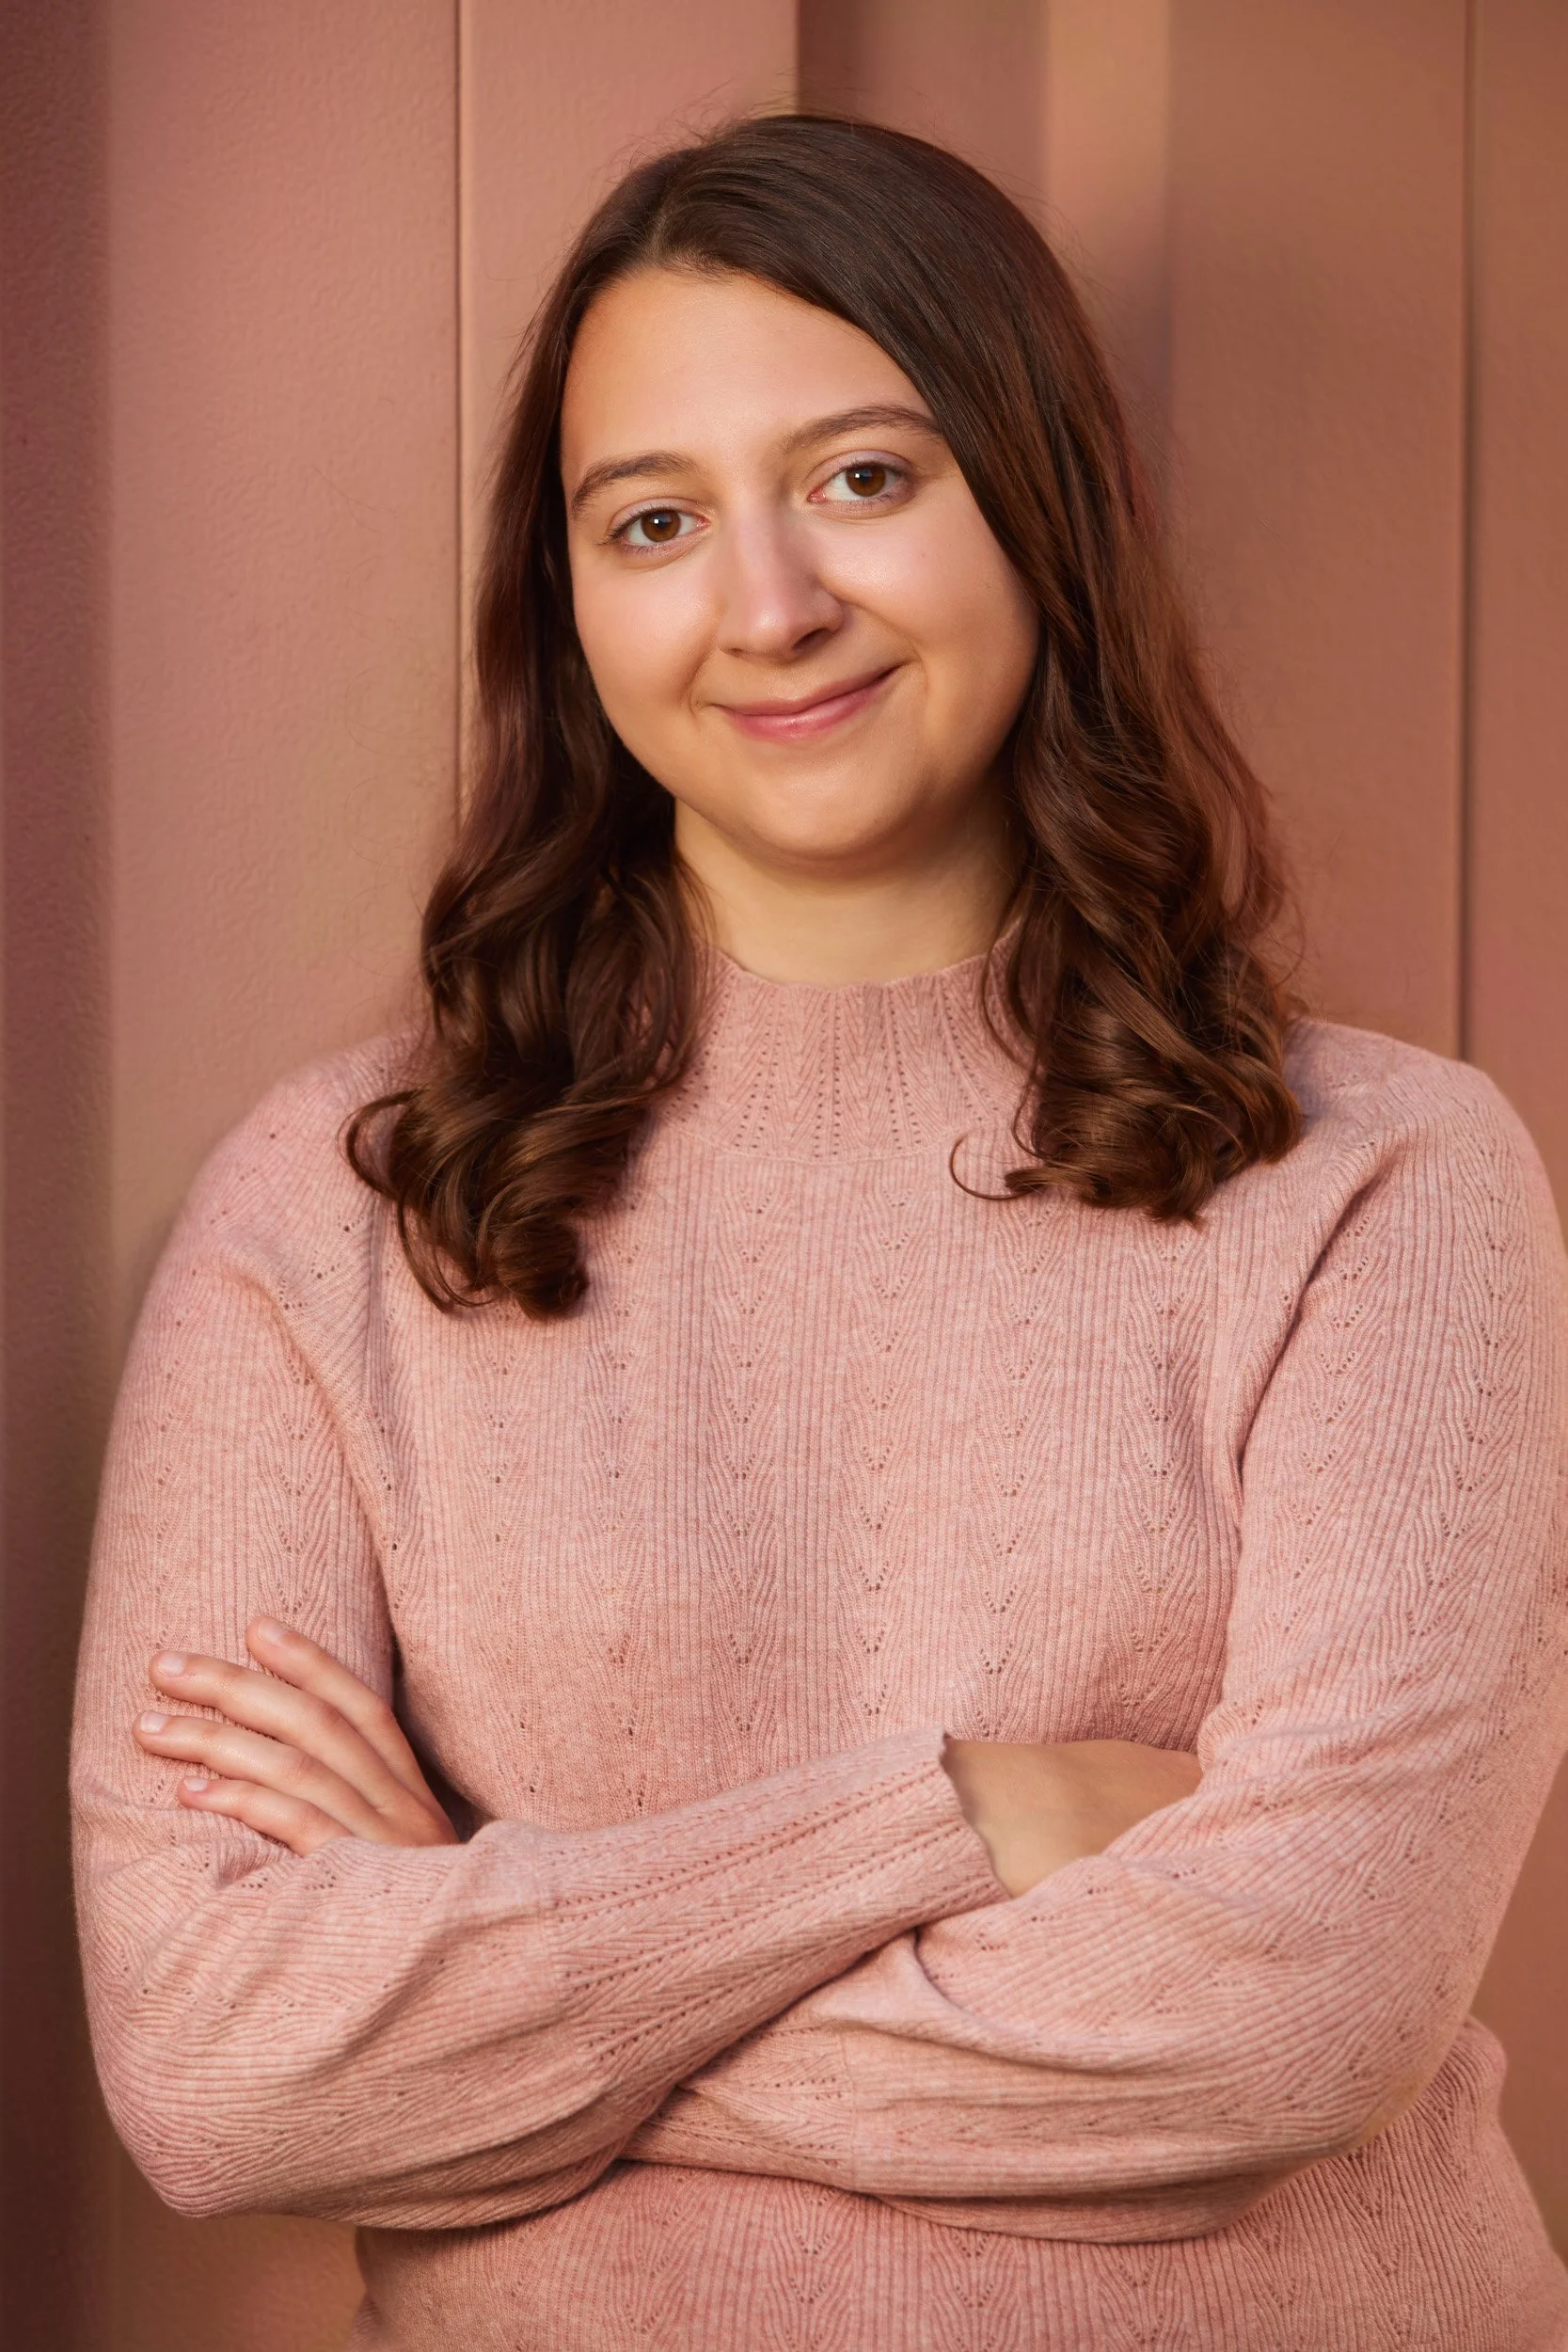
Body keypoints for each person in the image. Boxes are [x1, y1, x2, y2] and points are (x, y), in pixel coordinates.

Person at [71, 113, 1568, 2352]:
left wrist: (489, 1966)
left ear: (1032, 508)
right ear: (569, 607)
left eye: (865, 478)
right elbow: (216, 2070)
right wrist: (967, 1811)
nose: (764, 603)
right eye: (651, 520)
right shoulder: (339, 1209)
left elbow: (1295, 2016)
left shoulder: (1384, 1178)